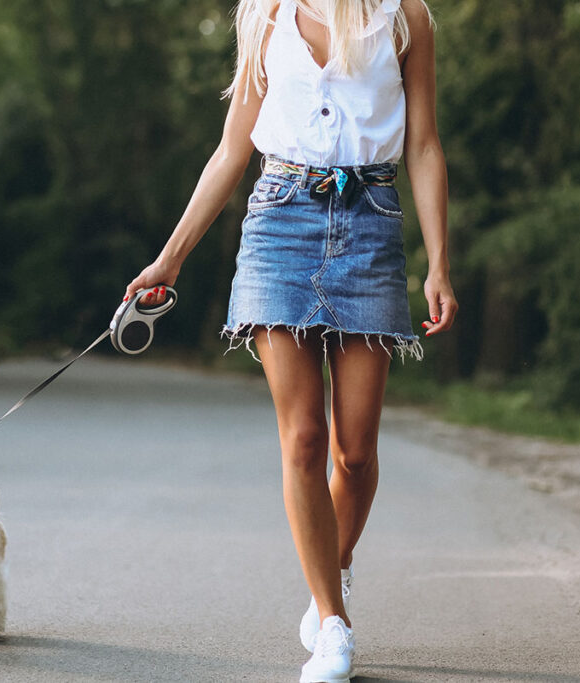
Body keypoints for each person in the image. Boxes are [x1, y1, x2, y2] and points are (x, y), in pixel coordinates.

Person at [123, 0, 457, 680]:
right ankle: (332, 624)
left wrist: (439, 263)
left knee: (355, 451)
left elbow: (423, 143)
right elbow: (231, 148)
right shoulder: (265, 14)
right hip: (279, 224)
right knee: (304, 436)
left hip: (371, 225)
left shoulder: (406, 18)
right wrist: (170, 258)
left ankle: (331, 567)